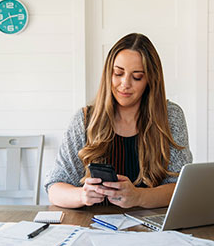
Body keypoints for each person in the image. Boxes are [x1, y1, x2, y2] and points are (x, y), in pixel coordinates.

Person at [44, 33, 192, 208]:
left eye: (137, 76)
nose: (125, 83)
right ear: (108, 74)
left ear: (151, 80)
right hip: (94, 227)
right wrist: (81, 195)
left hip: (151, 229)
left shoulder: (170, 117)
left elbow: (181, 188)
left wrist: (138, 197)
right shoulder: (85, 120)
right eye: (118, 73)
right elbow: (55, 188)